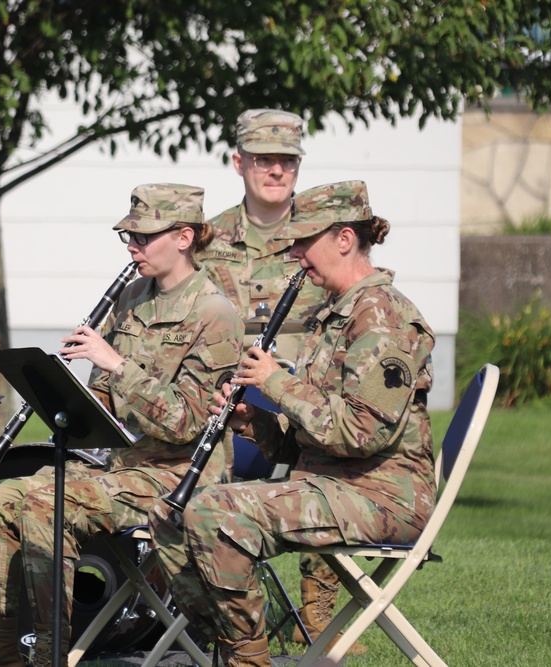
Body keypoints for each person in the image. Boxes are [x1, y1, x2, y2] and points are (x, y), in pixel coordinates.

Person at [148, 181, 436, 667]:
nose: (297, 256)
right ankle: (233, 645)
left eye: (305, 242)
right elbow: (313, 440)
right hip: (337, 481)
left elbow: (360, 434)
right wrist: (253, 421)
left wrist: (276, 382)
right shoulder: (337, 315)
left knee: (219, 511)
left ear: (344, 239)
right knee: (175, 512)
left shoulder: (383, 319)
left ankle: (245, 658)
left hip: (384, 495)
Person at [0, 184, 244, 667]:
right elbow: (102, 402)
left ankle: (50, 654)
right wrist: (57, 394)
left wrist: (118, 366)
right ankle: (0, 648)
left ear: (183, 237)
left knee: (43, 503)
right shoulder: (133, 297)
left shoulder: (214, 314)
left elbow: (187, 423)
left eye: (142, 237)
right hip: (119, 468)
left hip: (177, 477)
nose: (132, 247)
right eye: (128, 238)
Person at [196, 109, 365, 654]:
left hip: (306, 390)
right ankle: (198, 600)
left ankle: (316, 615)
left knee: (323, 447)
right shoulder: (207, 238)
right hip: (227, 392)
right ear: (238, 162)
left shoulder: (325, 235)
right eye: (263, 159)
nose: (276, 170)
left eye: (287, 160)